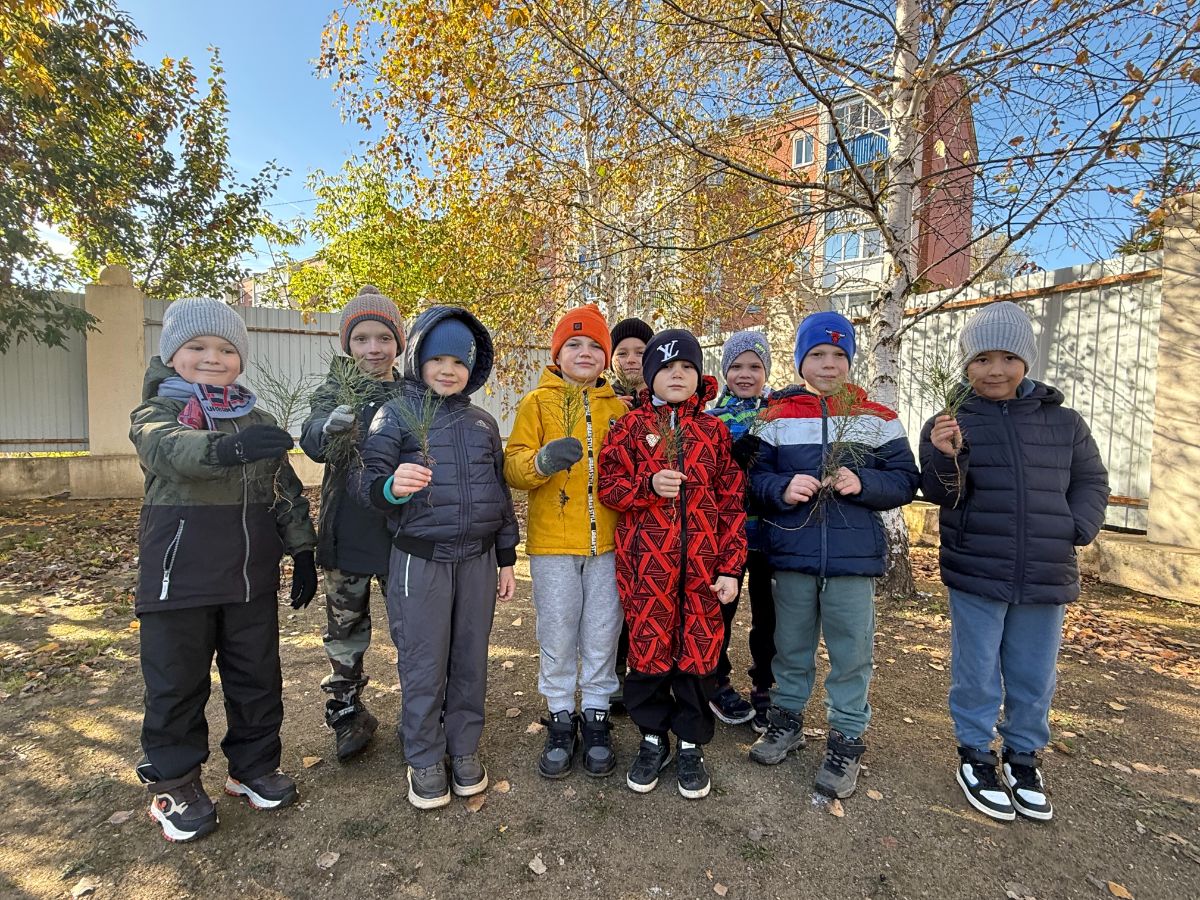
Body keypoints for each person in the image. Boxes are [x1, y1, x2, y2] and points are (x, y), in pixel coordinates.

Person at [129, 298, 317, 843]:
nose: (213, 358)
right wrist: (227, 448)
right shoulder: (157, 413)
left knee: (256, 677)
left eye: (227, 349)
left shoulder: (256, 419)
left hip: (249, 579)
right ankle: (175, 784)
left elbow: (283, 488)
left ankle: (253, 766)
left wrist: (302, 548)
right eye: (198, 347)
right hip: (178, 579)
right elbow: (168, 452)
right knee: (176, 683)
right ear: (172, 354)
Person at [919, 301, 1108, 822]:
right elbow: (941, 493)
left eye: (1007, 358)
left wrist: (1076, 527)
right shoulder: (949, 421)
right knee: (976, 669)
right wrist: (944, 455)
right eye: (982, 359)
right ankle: (975, 753)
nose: (995, 370)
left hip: (1046, 569)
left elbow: (1092, 479)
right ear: (966, 365)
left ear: (1026, 360)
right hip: (977, 567)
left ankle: (1023, 756)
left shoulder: (1064, 422)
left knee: (1033, 672)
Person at [749, 311, 918, 800]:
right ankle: (786, 722)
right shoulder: (775, 417)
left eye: (839, 355)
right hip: (792, 555)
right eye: (818, 354)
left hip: (852, 561)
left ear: (851, 360)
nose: (828, 364)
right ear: (801, 360)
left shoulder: (877, 418)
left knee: (851, 653)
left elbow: (905, 480)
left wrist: (863, 482)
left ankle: (845, 739)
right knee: (790, 647)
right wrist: (782, 487)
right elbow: (751, 480)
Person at [356, 305, 519, 810]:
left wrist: (506, 556)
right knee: (424, 660)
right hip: (421, 560)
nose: (448, 370)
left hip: (477, 561)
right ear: (418, 360)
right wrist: (392, 486)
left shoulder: (483, 423)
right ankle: (424, 756)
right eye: (438, 359)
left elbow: (499, 494)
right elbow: (367, 484)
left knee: (470, 658)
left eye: (459, 361)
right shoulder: (395, 415)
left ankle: (463, 748)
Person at [598, 329, 747, 799]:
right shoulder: (627, 428)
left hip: (703, 572)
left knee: (698, 655)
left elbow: (731, 504)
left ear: (699, 374)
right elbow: (608, 487)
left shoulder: (714, 432)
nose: (677, 375)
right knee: (648, 653)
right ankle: (652, 738)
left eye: (686, 367)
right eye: (665, 368)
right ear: (649, 377)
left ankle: (689, 742)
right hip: (647, 570)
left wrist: (730, 568)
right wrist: (647, 485)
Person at [504, 304, 628, 779]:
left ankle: (595, 713)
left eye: (595, 345)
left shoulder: (618, 410)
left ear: (607, 357)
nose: (585, 352)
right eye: (574, 344)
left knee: (602, 630)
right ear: (557, 354)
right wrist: (541, 462)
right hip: (554, 545)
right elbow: (513, 467)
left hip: (609, 546)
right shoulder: (537, 403)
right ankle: (560, 714)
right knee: (557, 631)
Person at [300, 285, 406, 761]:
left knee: (411, 629)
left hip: (401, 534)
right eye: (361, 339)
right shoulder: (333, 391)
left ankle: (422, 710)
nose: (373, 349)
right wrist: (328, 428)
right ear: (348, 344)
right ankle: (346, 712)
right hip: (346, 533)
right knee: (345, 630)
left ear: (398, 342)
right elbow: (312, 441)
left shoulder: (411, 393)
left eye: (383, 338)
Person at [705, 330, 777, 732]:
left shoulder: (780, 414)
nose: (745, 374)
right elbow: (702, 475)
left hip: (772, 534)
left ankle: (765, 685)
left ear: (766, 370)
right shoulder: (711, 419)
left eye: (754, 366)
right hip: (726, 536)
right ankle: (716, 680)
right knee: (719, 611)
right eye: (736, 366)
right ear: (724, 371)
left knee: (770, 617)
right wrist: (728, 459)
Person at [605, 316, 653, 712]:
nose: (632, 359)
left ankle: (648, 673)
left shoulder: (666, 398)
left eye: (640, 352)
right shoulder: (601, 398)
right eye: (623, 352)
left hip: (654, 524)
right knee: (615, 605)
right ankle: (615, 673)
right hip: (613, 520)